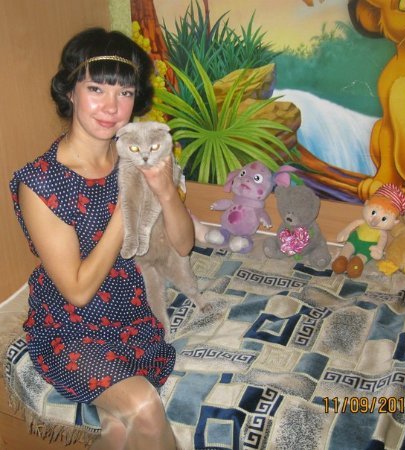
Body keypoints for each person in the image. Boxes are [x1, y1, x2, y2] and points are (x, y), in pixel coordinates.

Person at [10, 27, 194, 450]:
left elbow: (183, 246)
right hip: (71, 328)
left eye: (124, 93)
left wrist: (165, 192)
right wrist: (128, 207)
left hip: (133, 316)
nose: (112, 107)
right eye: (96, 89)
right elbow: (76, 290)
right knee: (143, 406)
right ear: (70, 91)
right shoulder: (40, 183)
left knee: (118, 431)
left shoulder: (138, 153)